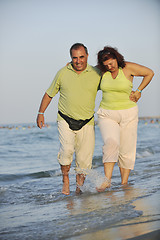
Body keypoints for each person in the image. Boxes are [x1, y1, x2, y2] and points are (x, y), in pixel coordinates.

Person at [36, 43, 101, 195]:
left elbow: (111, 85)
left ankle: (79, 189)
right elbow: (49, 93)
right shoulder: (62, 73)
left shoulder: (96, 73)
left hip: (87, 121)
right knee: (66, 151)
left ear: (87, 56)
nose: (78, 61)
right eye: (75, 58)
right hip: (65, 118)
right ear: (71, 58)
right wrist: (41, 113)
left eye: (81, 57)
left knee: (84, 161)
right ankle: (65, 179)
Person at [96, 46, 154, 191]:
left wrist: (139, 91)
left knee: (127, 149)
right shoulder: (101, 71)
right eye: (106, 65)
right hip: (107, 114)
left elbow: (149, 73)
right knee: (111, 143)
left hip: (129, 113)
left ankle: (124, 184)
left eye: (112, 63)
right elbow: (84, 73)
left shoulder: (127, 68)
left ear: (117, 58)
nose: (110, 67)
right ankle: (107, 181)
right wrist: (70, 66)